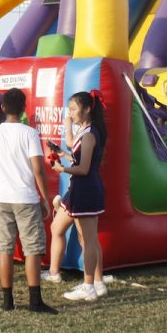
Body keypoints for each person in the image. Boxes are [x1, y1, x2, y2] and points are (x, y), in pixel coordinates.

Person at [0, 88, 56, 314]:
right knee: (32, 250)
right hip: (25, 198)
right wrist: (45, 198)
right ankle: (35, 301)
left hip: (2, 197)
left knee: (5, 250)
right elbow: (38, 169)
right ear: (24, 109)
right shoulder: (29, 134)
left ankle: (7, 301)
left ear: (3, 108)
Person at [50, 90, 108, 301]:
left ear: (87, 109)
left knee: (89, 239)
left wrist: (61, 169)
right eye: (70, 109)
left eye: (74, 109)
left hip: (86, 189)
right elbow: (75, 151)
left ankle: (89, 286)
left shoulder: (91, 134)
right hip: (80, 189)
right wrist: (64, 154)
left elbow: (84, 168)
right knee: (80, 236)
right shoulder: (84, 131)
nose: (71, 113)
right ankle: (97, 283)